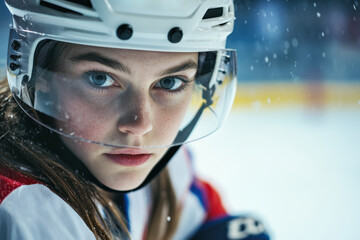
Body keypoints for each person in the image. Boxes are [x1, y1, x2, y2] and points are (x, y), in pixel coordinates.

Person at [0, 0, 270, 239]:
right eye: (100, 78)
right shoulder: (19, 216)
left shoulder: (163, 171)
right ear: (39, 76)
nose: (141, 124)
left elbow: (201, 208)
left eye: (169, 82)